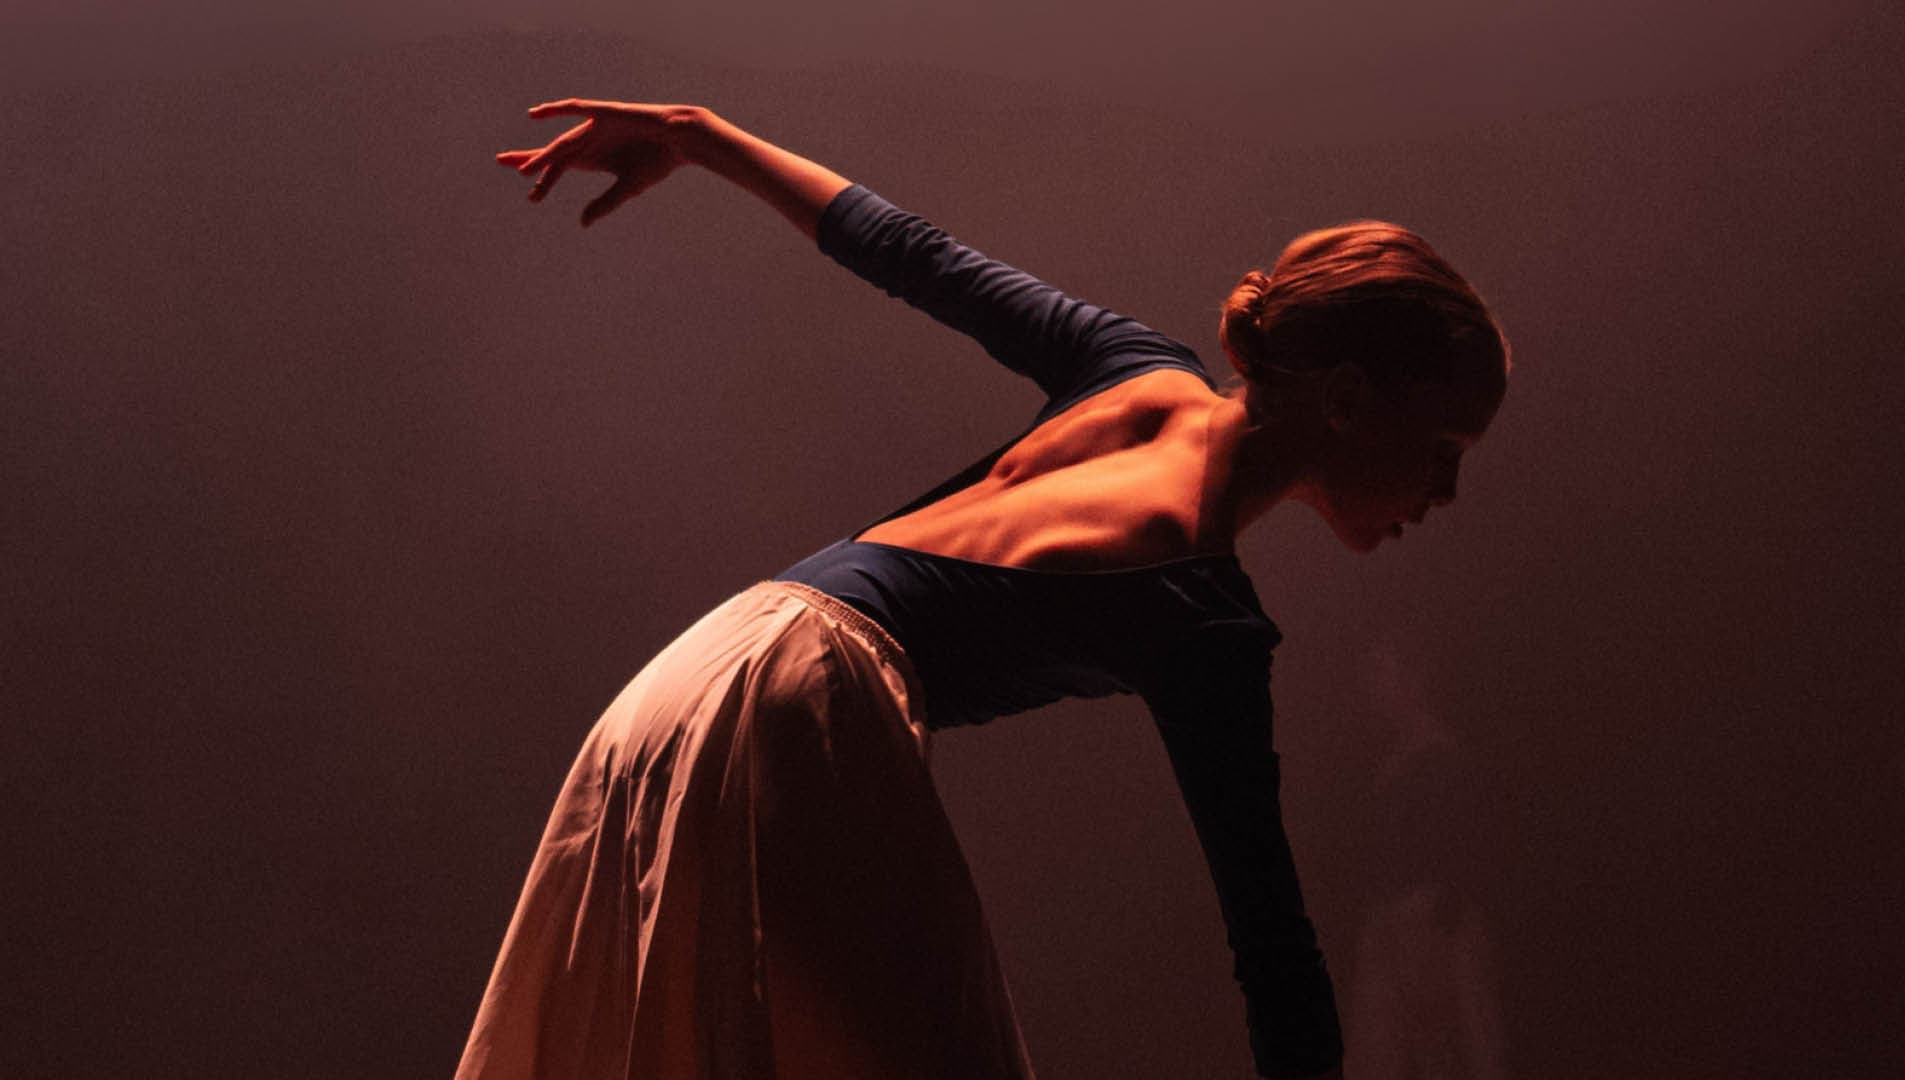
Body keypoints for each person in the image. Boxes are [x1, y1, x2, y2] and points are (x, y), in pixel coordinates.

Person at [460, 99, 1509, 1080]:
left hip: (704, 666)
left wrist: (701, 134)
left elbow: (906, 250)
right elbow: (1273, 946)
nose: (1449, 492)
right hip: (808, 701)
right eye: (1445, 448)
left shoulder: (1133, 364)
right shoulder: (1203, 616)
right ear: (1347, 400)